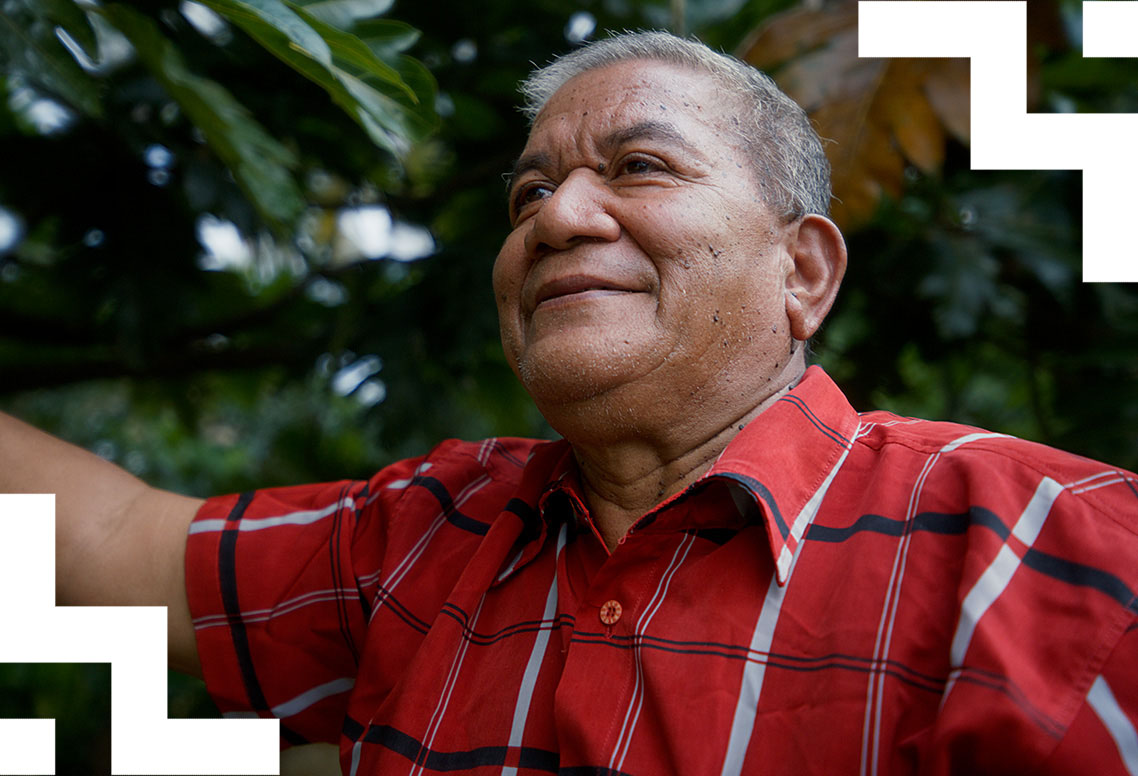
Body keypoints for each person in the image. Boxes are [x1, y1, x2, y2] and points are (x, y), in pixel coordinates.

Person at [3, 30, 1137, 776]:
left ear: (802, 272)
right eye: (531, 189)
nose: (555, 216)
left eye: (639, 167)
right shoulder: (428, 531)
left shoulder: (1047, 544)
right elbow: (110, 541)